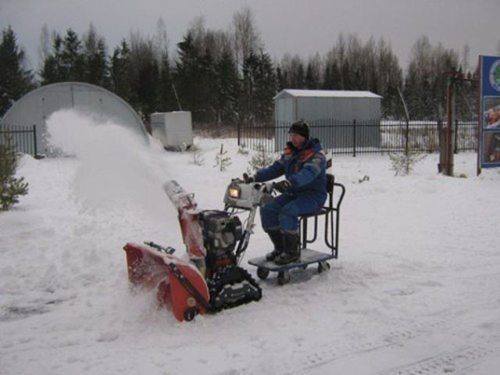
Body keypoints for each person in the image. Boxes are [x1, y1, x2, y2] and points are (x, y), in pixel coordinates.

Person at [243, 121, 327, 265]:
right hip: (294, 193)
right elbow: (275, 168)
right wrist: (255, 177)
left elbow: (307, 174)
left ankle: (292, 252)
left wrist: (290, 182)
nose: (292, 138)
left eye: (296, 135)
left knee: (288, 211)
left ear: (304, 137)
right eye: (291, 135)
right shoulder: (291, 153)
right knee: (268, 208)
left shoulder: (316, 156)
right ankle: (281, 248)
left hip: (313, 196)